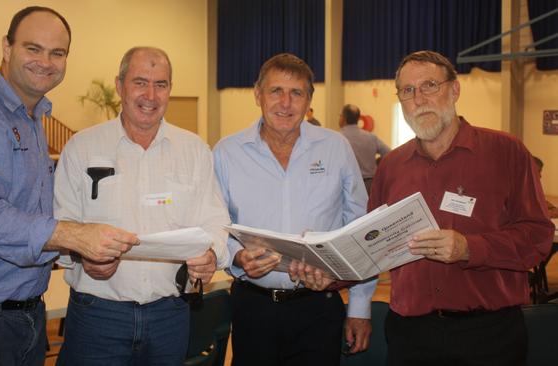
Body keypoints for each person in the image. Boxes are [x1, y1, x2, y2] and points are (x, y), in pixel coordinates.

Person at [0, 7, 138, 366]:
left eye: (57, 53)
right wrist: (75, 236)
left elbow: (29, 213)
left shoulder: (30, 117)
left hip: (20, 315)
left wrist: (82, 249)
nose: (45, 61)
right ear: (6, 47)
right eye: (33, 48)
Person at [371, 50, 554, 365]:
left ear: (455, 90)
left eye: (430, 85)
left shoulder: (506, 152)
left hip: (488, 335)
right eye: (408, 91)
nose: (419, 99)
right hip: (410, 334)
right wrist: (322, 266)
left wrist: (470, 248)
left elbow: (537, 237)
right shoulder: (391, 166)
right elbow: (371, 242)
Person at [53, 46, 230, 365]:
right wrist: (83, 256)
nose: (150, 94)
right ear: (120, 86)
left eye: (161, 84)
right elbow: (61, 225)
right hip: (98, 317)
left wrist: (212, 255)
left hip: (170, 316)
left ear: (170, 91)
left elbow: (215, 220)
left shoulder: (194, 150)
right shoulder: (81, 148)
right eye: (140, 82)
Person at [213, 53, 376, 366]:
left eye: (296, 93)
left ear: (309, 100)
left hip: (319, 305)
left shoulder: (335, 147)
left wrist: (359, 308)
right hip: (253, 308)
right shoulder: (226, 152)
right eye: (276, 91)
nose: (285, 103)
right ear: (258, 95)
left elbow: (360, 229)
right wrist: (237, 256)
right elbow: (216, 224)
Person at [339, 104, 391, 193]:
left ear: (343, 118)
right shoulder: (371, 137)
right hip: (371, 186)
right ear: (358, 119)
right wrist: (378, 162)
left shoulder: (338, 138)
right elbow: (389, 153)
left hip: (348, 186)